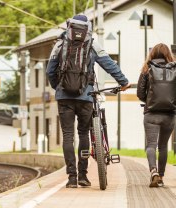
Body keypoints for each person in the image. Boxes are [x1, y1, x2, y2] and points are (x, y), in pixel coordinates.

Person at [46, 14, 130, 188]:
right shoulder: (92, 44)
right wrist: (123, 82)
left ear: (70, 27)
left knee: (68, 136)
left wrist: (59, 88)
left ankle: (71, 178)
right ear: (87, 28)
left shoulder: (60, 44)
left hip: (64, 99)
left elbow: (49, 71)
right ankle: (83, 176)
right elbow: (108, 63)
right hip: (86, 97)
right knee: (83, 133)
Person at [137, 43, 176, 187]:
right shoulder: (174, 68)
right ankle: (161, 176)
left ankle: (153, 171)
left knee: (151, 145)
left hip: (151, 114)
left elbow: (140, 93)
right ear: (168, 54)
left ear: (152, 53)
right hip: (170, 115)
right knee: (163, 146)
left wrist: (149, 101)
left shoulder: (147, 68)